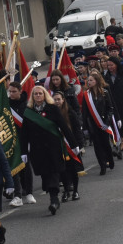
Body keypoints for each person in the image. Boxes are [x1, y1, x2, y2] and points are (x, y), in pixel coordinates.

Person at [22, 85, 77, 215]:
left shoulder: (52, 109)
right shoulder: (28, 112)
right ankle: (54, 195)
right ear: (32, 97)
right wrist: (23, 151)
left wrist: (74, 144)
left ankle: (54, 201)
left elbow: (63, 127)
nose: (38, 96)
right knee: (45, 175)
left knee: (53, 173)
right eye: (36, 94)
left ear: (45, 95)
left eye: (40, 93)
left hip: (53, 148)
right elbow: (24, 134)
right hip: (38, 150)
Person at [6, 82, 36, 207]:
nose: (11, 94)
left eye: (14, 91)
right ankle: (18, 195)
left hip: (25, 140)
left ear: (20, 91)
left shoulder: (27, 105)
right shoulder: (6, 105)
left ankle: (29, 192)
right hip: (12, 140)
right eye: (10, 92)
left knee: (26, 166)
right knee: (14, 167)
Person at [81, 72, 116, 174]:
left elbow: (110, 108)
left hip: (103, 123)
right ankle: (102, 166)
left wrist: (107, 121)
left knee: (106, 144)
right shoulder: (86, 95)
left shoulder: (104, 92)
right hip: (93, 125)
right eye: (88, 80)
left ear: (96, 81)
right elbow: (85, 112)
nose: (89, 82)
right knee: (97, 146)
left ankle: (110, 159)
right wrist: (85, 127)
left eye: (91, 80)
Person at [53, 91, 83, 201]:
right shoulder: (51, 114)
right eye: (54, 100)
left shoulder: (70, 113)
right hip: (59, 147)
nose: (56, 102)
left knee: (73, 169)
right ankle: (66, 191)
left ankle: (75, 191)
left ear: (63, 100)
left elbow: (77, 130)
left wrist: (79, 145)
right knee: (63, 171)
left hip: (71, 146)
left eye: (58, 99)